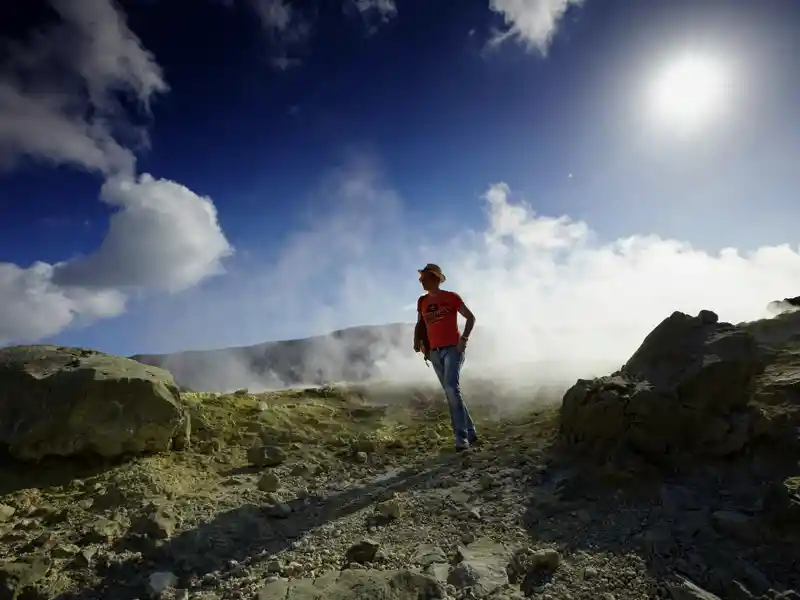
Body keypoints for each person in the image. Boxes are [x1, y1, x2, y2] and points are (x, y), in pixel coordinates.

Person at [413, 263, 479, 451]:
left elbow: (471, 318)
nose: (421, 281)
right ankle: (471, 432)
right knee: (452, 392)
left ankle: (461, 438)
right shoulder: (422, 302)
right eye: (420, 278)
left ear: (434, 278)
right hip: (434, 352)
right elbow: (420, 324)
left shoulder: (451, 297)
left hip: (453, 349)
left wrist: (464, 339)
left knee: (451, 389)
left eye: (424, 278)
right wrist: (417, 341)